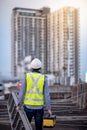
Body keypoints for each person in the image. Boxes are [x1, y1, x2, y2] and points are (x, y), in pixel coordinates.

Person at [16, 58, 52, 130]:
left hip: (28, 107)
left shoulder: (26, 76)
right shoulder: (44, 78)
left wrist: (19, 105)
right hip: (39, 108)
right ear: (40, 67)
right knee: (38, 128)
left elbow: (22, 92)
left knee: (26, 127)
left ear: (31, 67)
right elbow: (47, 95)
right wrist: (49, 108)